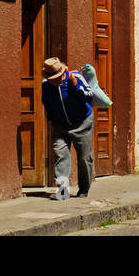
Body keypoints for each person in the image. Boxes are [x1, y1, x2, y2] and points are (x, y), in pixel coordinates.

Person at [41, 57, 94, 200]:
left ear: (63, 73)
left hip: (82, 123)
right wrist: (53, 120)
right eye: (52, 78)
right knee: (61, 155)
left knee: (84, 157)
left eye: (57, 77)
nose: (55, 81)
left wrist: (75, 86)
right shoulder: (46, 85)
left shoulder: (76, 77)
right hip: (60, 126)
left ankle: (84, 189)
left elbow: (89, 96)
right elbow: (46, 104)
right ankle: (62, 191)